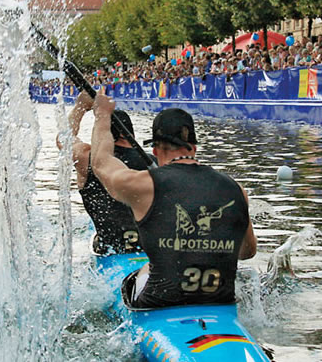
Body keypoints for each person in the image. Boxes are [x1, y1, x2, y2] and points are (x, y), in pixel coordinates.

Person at [89, 96, 257, 309]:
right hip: (220, 301)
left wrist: (102, 115)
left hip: (158, 303)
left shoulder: (143, 185)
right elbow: (247, 252)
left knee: (146, 269)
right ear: (193, 147)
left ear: (156, 150)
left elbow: (100, 163)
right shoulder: (237, 190)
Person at [56, 92, 155, 255]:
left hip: (110, 250)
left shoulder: (86, 157)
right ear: (131, 134)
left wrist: (80, 107)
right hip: (149, 253)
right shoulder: (156, 163)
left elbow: (64, 139)